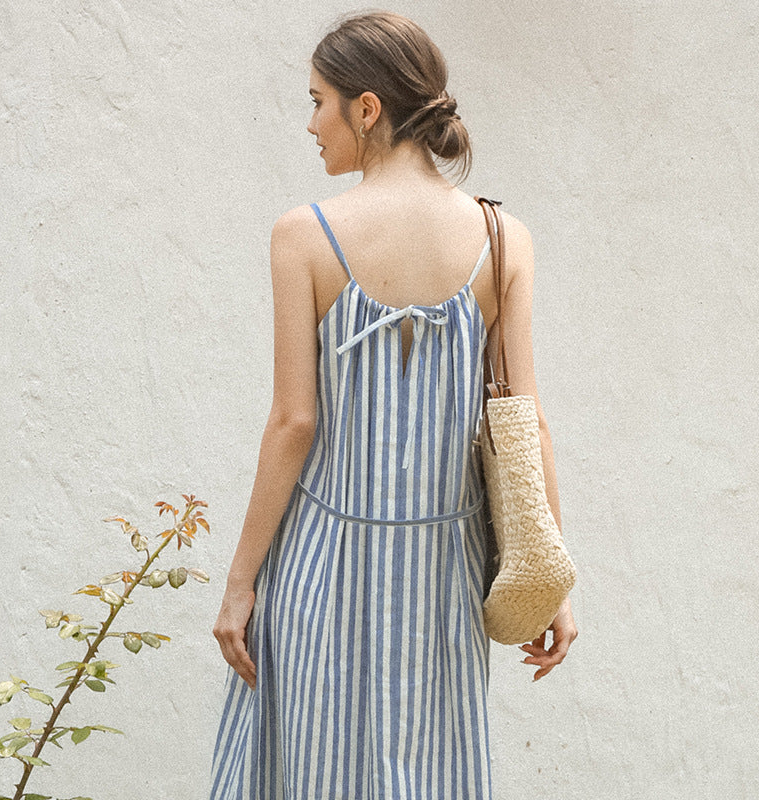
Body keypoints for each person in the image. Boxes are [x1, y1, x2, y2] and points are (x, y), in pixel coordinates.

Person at [210, 10, 577, 798]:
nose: (311, 124)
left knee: (305, 774)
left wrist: (241, 582)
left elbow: (293, 423)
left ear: (366, 108)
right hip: (440, 583)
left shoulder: (303, 236)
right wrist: (555, 582)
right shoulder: (503, 239)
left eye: (318, 101)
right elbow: (527, 420)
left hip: (319, 567)